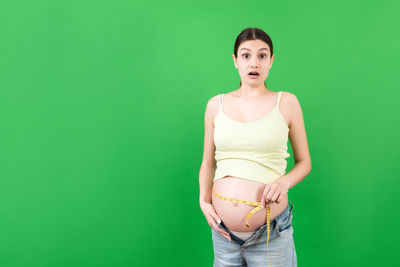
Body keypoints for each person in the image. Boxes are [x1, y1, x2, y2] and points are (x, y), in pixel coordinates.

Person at [199, 27, 312, 267]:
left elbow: (304, 163)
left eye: (262, 55)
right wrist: (204, 201)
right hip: (224, 235)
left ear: (271, 61)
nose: (254, 63)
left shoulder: (287, 102)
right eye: (246, 55)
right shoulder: (215, 105)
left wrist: (283, 183)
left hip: (271, 234)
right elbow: (208, 162)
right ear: (235, 61)